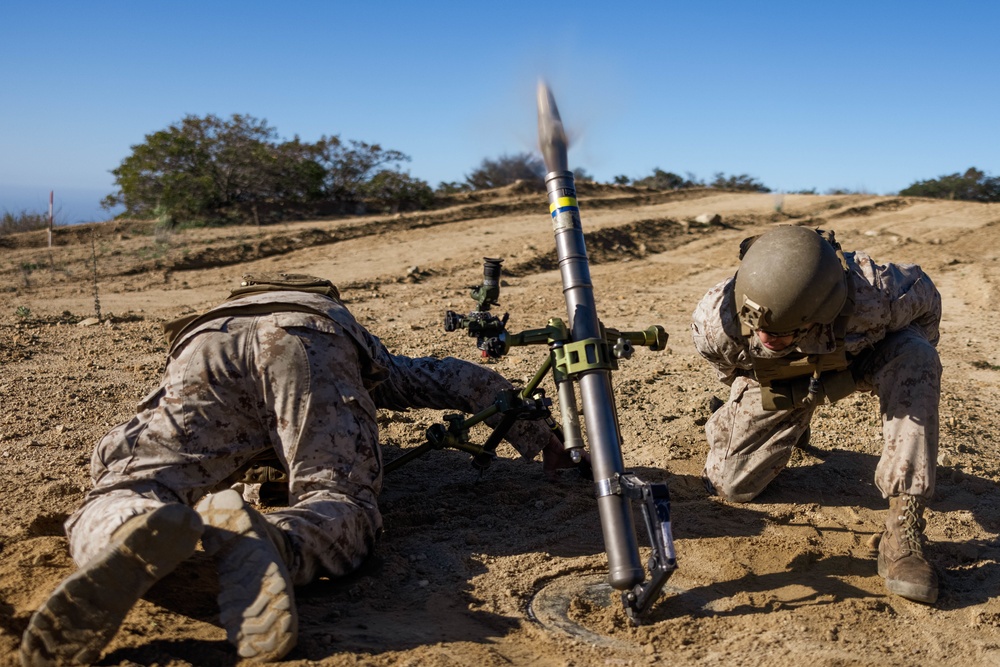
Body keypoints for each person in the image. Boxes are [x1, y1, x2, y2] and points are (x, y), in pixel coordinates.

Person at [21, 272, 570, 665]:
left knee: (127, 481)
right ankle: (274, 540)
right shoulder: (327, 321)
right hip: (310, 342)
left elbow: (118, 445)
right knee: (339, 497)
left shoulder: (226, 315)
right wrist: (544, 438)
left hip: (203, 344)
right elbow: (451, 376)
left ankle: (124, 526)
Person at [690, 225, 942, 604]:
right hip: (784, 381)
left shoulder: (878, 293)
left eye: (786, 330)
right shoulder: (717, 322)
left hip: (860, 359)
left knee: (917, 356)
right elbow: (731, 370)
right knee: (733, 486)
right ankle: (785, 425)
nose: (769, 338)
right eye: (762, 329)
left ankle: (902, 531)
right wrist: (777, 397)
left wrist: (892, 374)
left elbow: (928, 307)